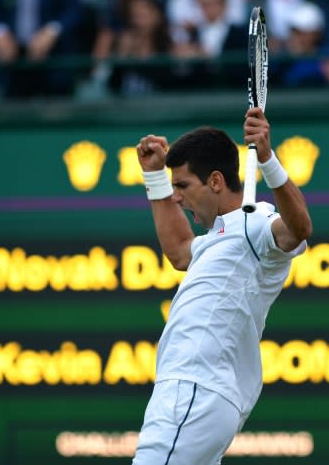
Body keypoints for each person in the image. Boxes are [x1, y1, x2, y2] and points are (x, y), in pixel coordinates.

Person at [132, 107, 312, 464]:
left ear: (215, 181)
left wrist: (267, 158)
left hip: (195, 388)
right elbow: (180, 252)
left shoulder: (256, 223)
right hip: (195, 392)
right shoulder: (216, 238)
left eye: (182, 186)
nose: (177, 198)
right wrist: (155, 176)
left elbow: (298, 230)